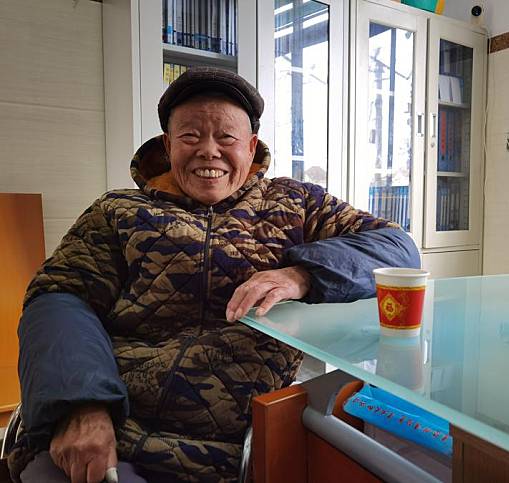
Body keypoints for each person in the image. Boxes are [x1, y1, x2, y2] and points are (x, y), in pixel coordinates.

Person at [8, 67, 420, 483]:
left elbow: (399, 250)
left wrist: (302, 275)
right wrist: (80, 405)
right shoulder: (117, 211)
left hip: (242, 445)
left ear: (251, 146)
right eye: (190, 136)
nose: (209, 151)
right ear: (168, 145)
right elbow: (57, 299)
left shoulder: (295, 202)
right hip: (112, 431)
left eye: (226, 137)